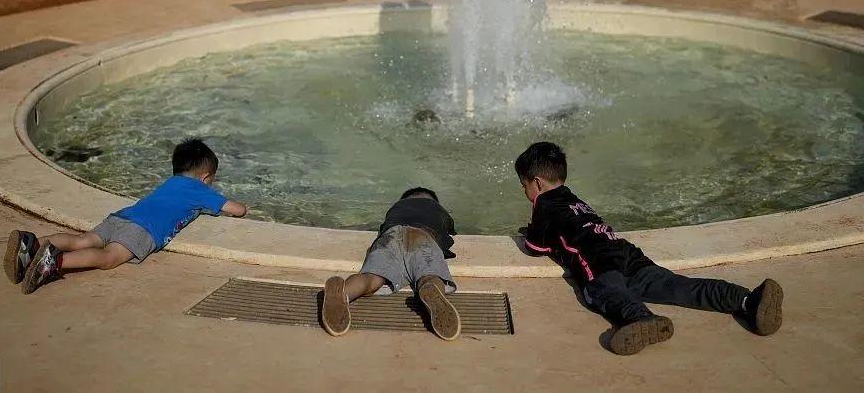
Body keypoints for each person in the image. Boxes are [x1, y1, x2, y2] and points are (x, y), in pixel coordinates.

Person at [515, 141, 784, 356]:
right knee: (679, 287)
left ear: (537, 183)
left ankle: (641, 319)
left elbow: (535, 247)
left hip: (598, 261)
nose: (525, 191)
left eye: (524, 185)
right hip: (627, 254)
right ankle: (747, 299)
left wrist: (531, 232)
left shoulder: (544, 204)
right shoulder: (575, 199)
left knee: (606, 292)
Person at [4, 138, 247, 294]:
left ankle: (32, 244)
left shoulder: (171, 182)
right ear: (206, 177)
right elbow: (237, 210)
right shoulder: (201, 190)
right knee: (109, 258)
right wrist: (238, 207)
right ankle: (55, 262)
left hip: (122, 216)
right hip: (144, 229)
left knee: (83, 240)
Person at [320, 187, 461, 340]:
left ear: (403, 200)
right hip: (423, 235)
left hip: (391, 234)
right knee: (429, 275)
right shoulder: (436, 208)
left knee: (372, 278)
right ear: (433, 200)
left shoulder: (396, 208)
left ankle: (344, 292)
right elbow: (449, 231)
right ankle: (430, 287)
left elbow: (382, 229)